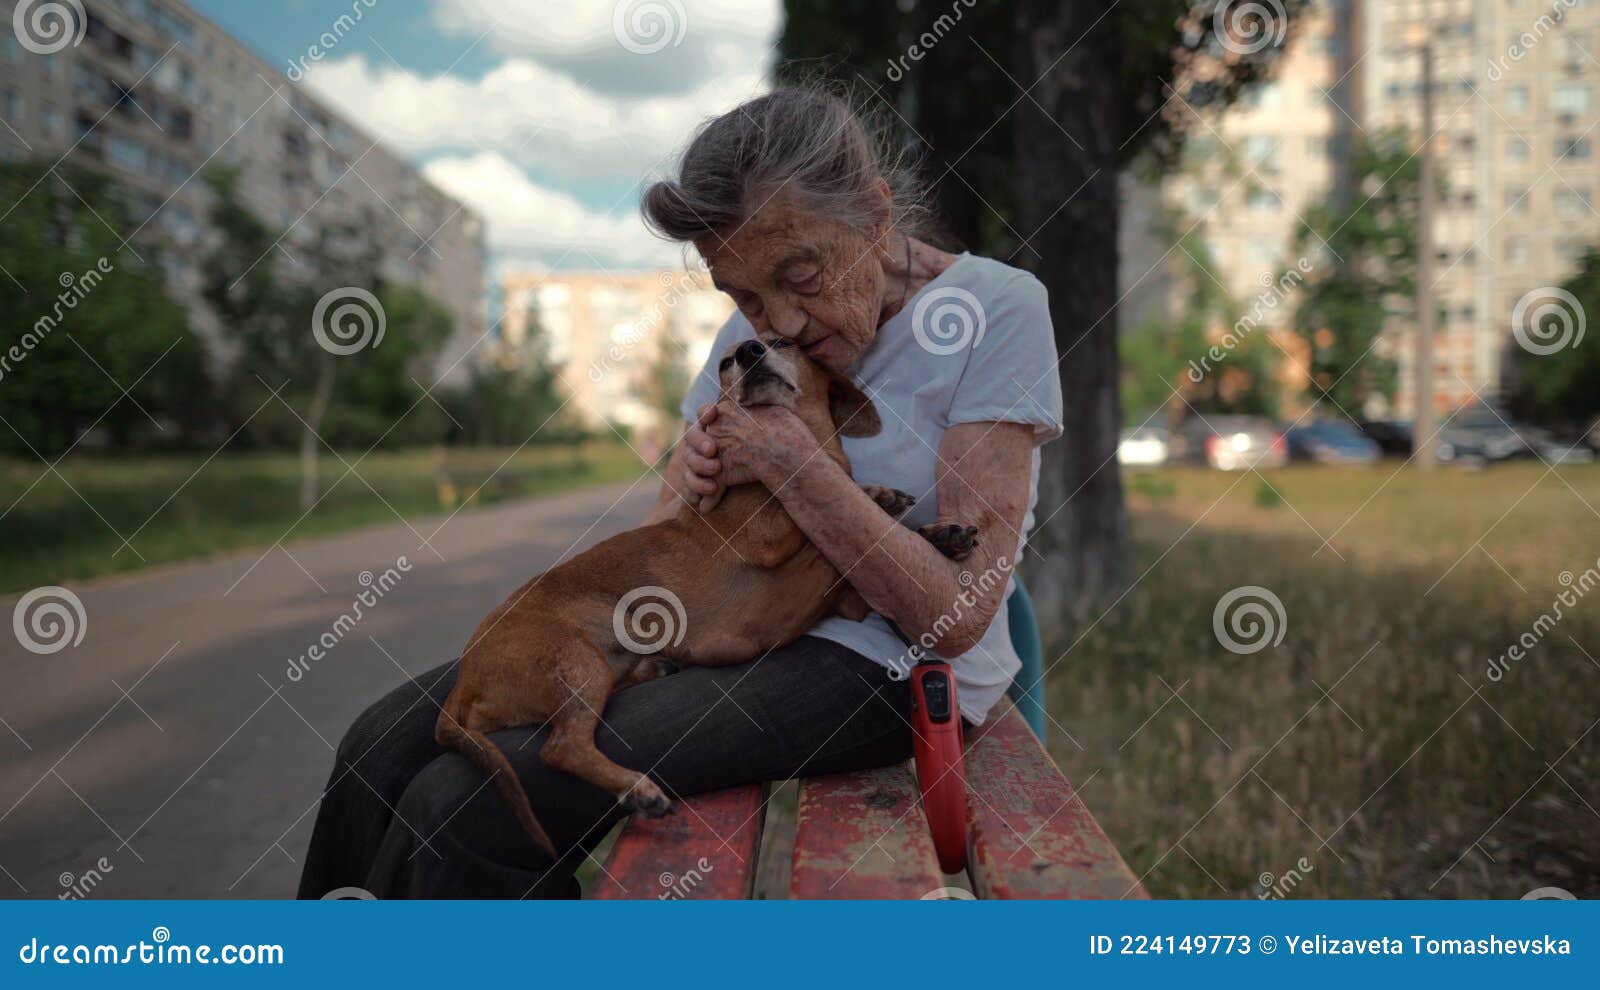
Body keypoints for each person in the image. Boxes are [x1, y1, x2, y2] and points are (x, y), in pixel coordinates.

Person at [297, 86, 1063, 900]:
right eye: (743, 296)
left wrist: (791, 466)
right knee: (377, 746)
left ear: (876, 216)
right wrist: (691, 487)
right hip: (725, 633)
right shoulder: (752, 337)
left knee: (463, 806)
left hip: (879, 668)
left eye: (800, 275)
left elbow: (957, 613)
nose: (781, 323)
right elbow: (667, 539)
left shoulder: (995, 309)